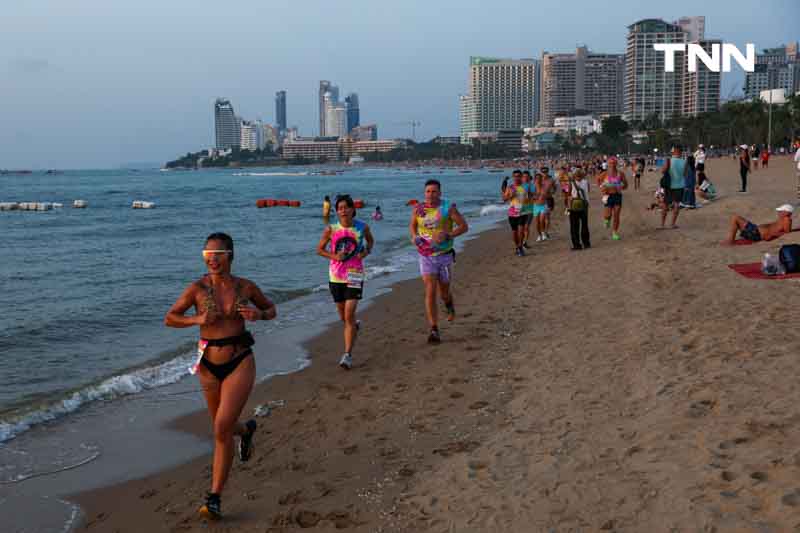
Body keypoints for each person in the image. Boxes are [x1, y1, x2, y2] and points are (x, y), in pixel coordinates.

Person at [165, 232, 277, 520]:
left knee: (220, 428)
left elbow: (271, 309)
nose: (212, 259)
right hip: (208, 366)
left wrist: (258, 316)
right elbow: (170, 318)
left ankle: (214, 498)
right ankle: (247, 431)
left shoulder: (246, 286)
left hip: (240, 359)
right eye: (207, 254)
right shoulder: (197, 289)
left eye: (218, 253)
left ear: (230, 255)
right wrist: (197, 319)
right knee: (223, 428)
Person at [316, 195, 374, 370]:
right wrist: (334, 256)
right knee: (343, 316)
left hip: (355, 274)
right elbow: (319, 250)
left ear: (352, 209)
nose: (343, 210)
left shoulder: (362, 227)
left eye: (346, 207)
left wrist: (365, 253)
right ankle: (354, 326)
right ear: (337, 211)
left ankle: (347, 355)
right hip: (336, 276)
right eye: (339, 208)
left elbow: (371, 242)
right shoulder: (331, 229)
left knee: (349, 314)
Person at [409, 179, 468, 343]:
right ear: (424, 193)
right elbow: (412, 226)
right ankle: (434, 329)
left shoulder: (448, 208)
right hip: (426, 256)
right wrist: (414, 237)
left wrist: (449, 235)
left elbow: (464, 226)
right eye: (428, 191)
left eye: (434, 191)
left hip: (445, 255)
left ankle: (449, 304)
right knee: (430, 290)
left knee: (443, 293)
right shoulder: (418, 209)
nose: (430, 194)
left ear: (440, 193)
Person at [724, 204, 793, 244]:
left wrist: (771, 235)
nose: (779, 212)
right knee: (736, 219)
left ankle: (731, 241)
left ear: (787, 213)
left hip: (756, 233)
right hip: (755, 231)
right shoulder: (782, 220)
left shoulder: (787, 219)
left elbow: (787, 232)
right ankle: (731, 240)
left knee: (735, 218)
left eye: (780, 211)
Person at [596, 156, 628, 240]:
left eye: (614, 163)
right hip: (608, 196)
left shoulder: (620, 173)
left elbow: (626, 185)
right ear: (608, 164)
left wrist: (621, 187)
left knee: (616, 214)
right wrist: (601, 187)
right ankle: (607, 220)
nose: (612, 165)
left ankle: (615, 232)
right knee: (608, 215)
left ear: (616, 164)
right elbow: (598, 180)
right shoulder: (604, 174)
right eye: (611, 163)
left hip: (617, 195)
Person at [660, 146, 688, 229]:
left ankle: (662, 224)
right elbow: (685, 174)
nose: (671, 152)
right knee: (676, 204)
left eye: (672, 150)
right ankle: (672, 224)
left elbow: (663, 171)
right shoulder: (684, 162)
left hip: (670, 186)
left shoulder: (669, 160)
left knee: (665, 204)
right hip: (680, 186)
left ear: (675, 151)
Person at [502, 170, 528, 255]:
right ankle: (517, 246)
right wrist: (511, 195)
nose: (517, 178)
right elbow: (504, 199)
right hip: (512, 213)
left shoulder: (525, 187)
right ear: (513, 177)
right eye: (515, 176)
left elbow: (530, 197)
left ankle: (520, 247)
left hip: (523, 212)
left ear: (521, 177)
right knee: (514, 232)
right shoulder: (510, 188)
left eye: (518, 176)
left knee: (521, 230)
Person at [567, 169, 591, 250]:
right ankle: (586, 243)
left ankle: (577, 245)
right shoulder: (586, 182)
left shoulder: (571, 183)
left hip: (574, 205)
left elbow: (569, 195)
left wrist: (568, 207)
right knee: (584, 225)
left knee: (574, 226)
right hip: (584, 205)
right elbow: (588, 191)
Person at [521, 170, 535, 249]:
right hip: (520, 208)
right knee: (521, 227)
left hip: (529, 208)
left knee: (526, 227)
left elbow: (533, 195)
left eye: (527, 177)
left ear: (529, 178)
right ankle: (521, 242)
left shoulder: (531, 185)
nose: (525, 178)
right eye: (524, 177)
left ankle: (525, 242)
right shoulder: (519, 185)